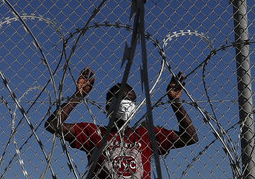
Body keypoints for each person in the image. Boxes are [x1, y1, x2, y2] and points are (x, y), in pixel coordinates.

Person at [45, 67, 198, 179]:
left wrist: (175, 102)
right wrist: (78, 96)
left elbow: (190, 137)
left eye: (131, 100)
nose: (126, 104)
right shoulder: (94, 133)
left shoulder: (145, 135)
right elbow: (53, 125)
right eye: (120, 99)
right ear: (108, 106)